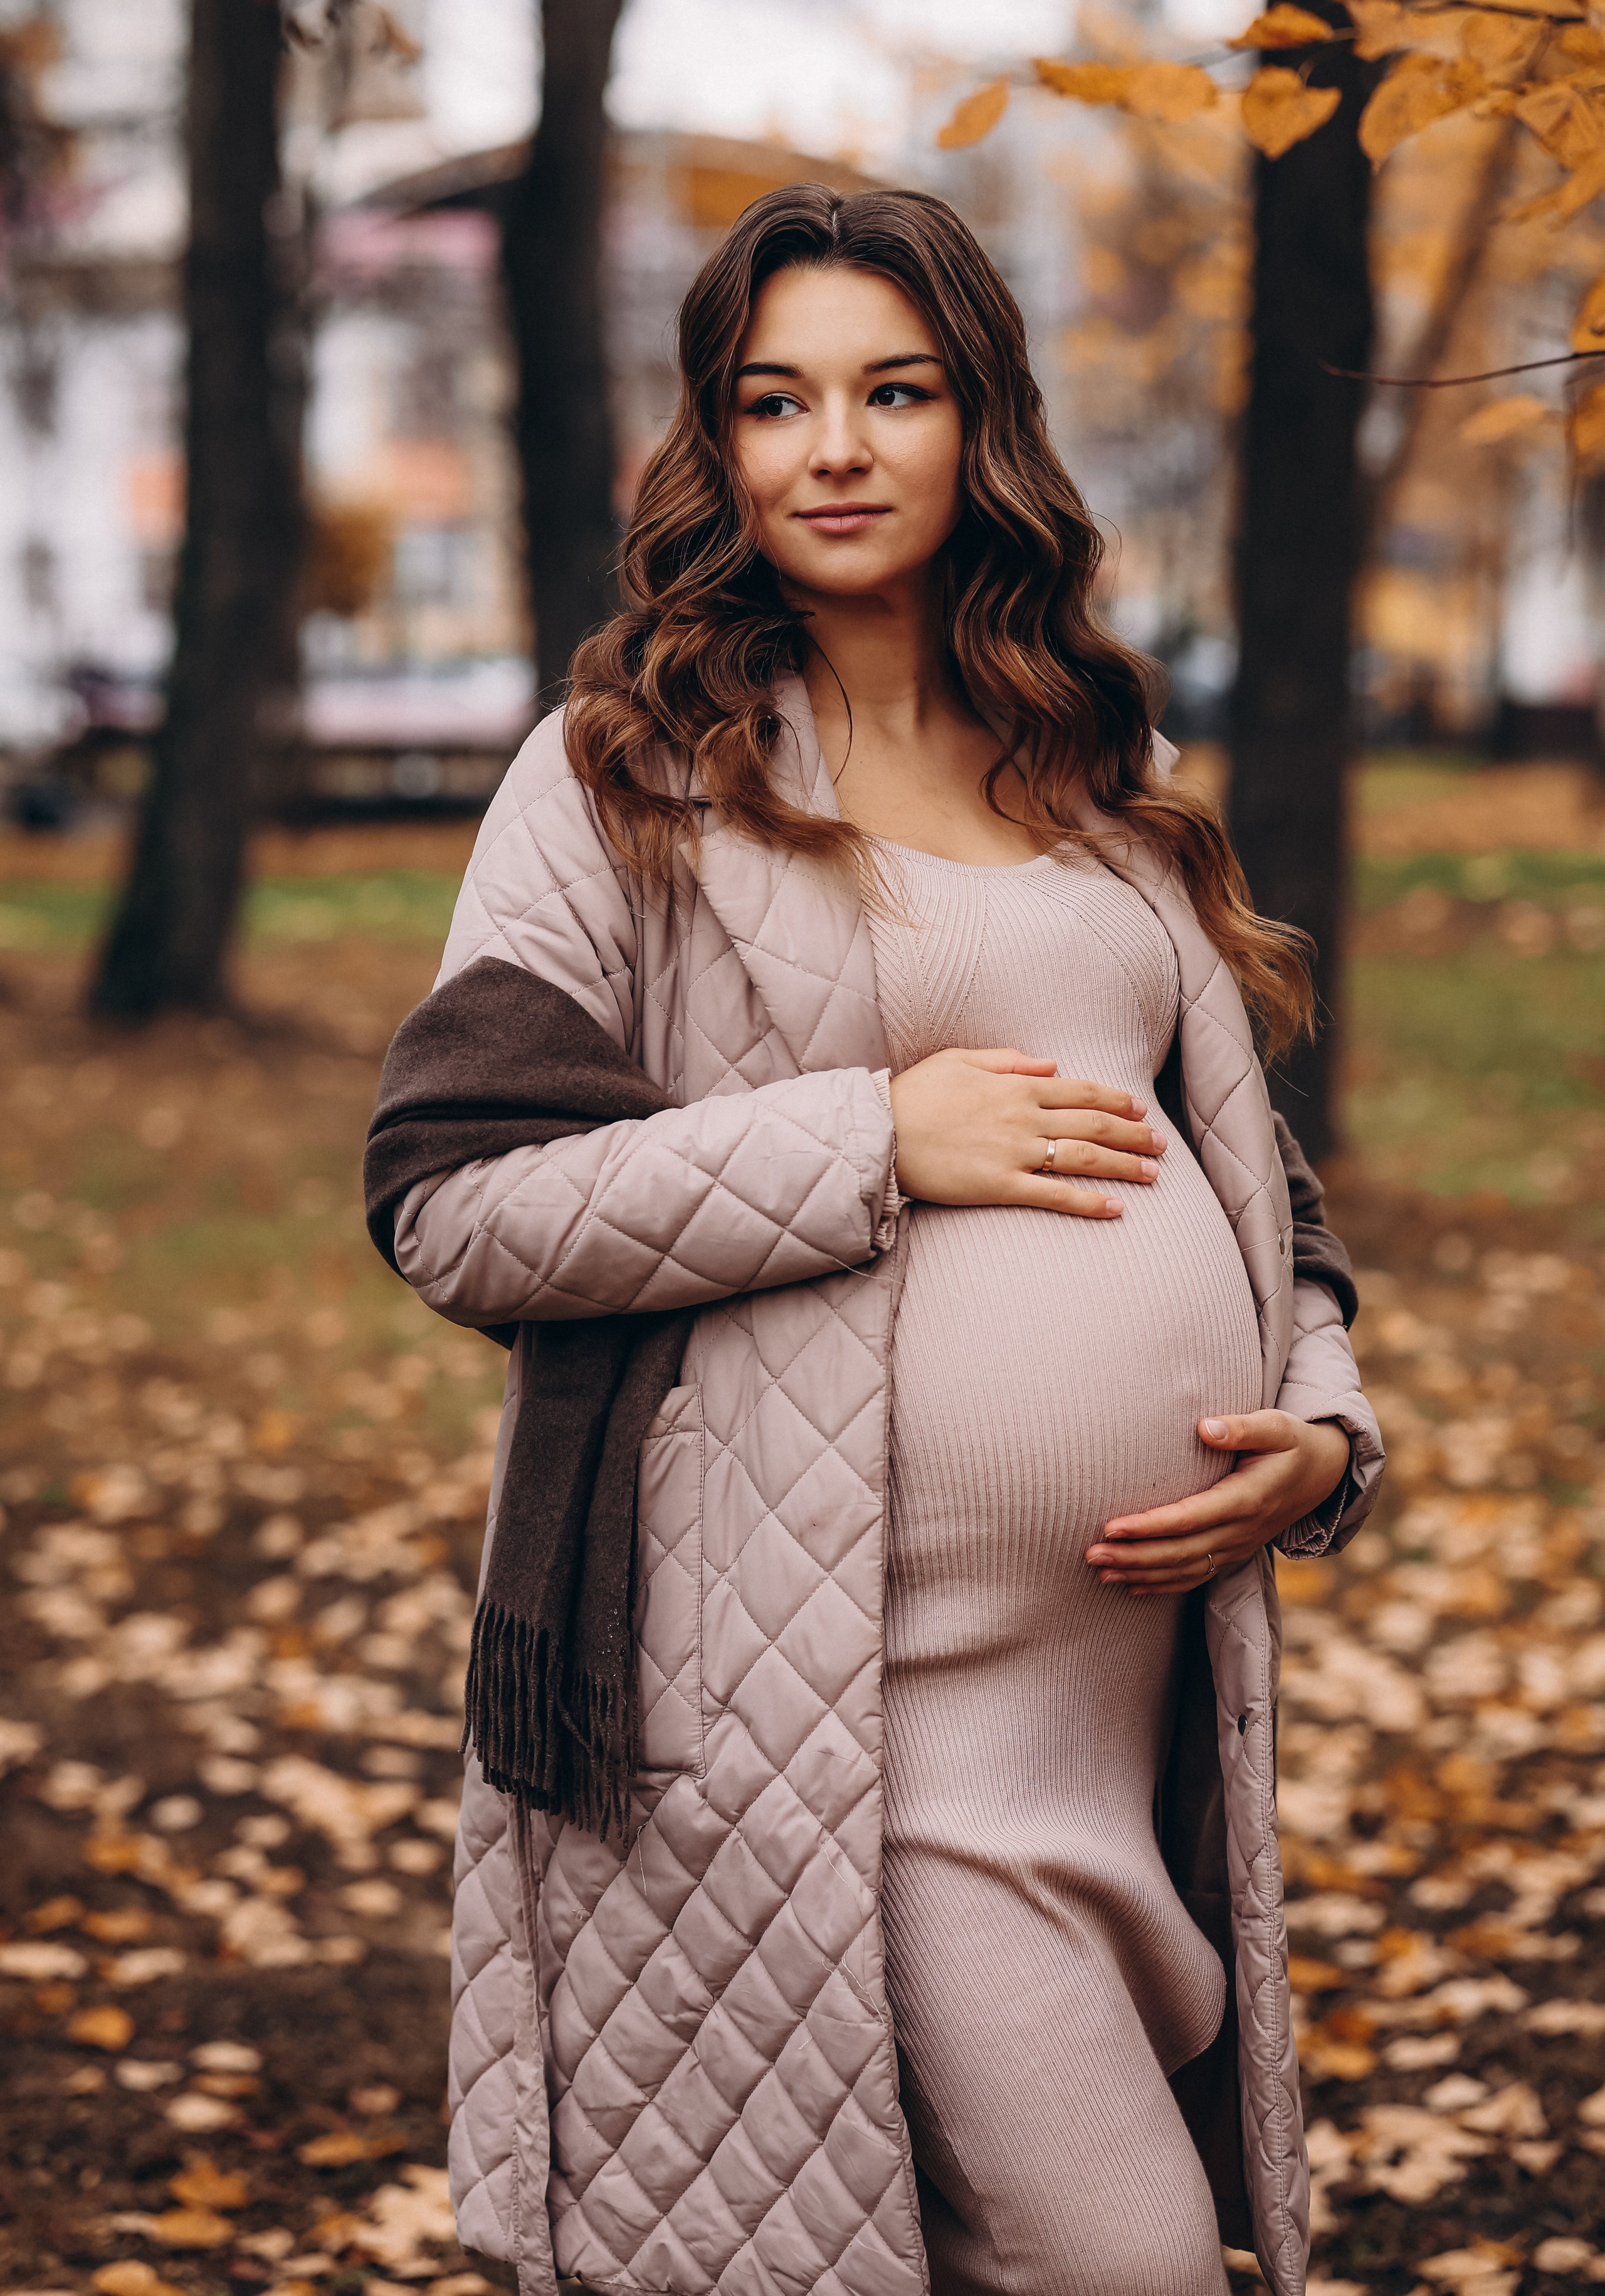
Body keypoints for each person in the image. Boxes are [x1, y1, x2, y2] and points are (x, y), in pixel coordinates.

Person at [377, 186, 1382, 2296]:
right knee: (1125, 2262)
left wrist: (1323, 1427)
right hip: (827, 1725)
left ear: (977, 423)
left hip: (1122, 1718)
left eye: (892, 391)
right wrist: (871, 1138)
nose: (835, 447)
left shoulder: (1100, 767)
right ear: (716, 445)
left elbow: (1246, 1180)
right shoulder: (624, 780)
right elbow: (451, 1200)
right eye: (777, 399)